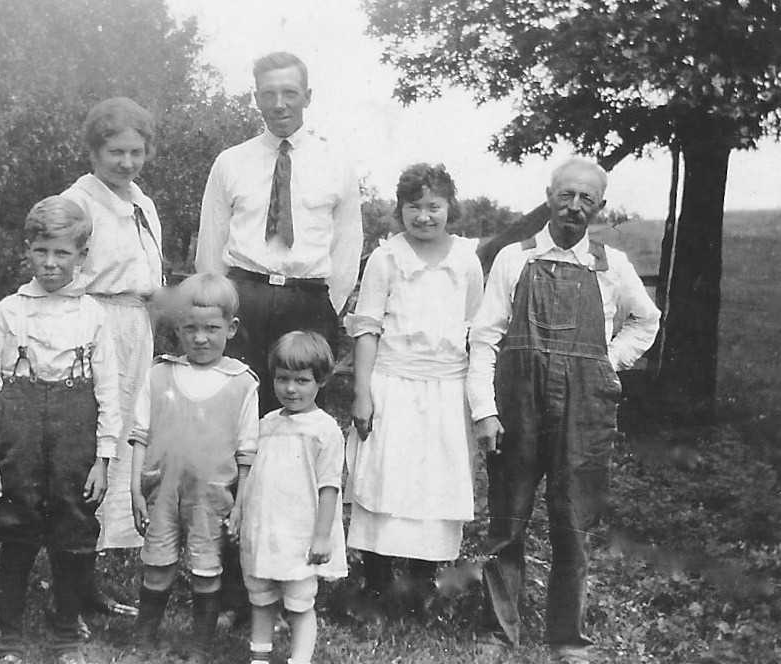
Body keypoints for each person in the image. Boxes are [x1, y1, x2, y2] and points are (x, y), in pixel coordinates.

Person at [467, 157, 661, 663]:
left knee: (572, 521)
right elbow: (485, 338)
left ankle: (567, 639)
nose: (575, 207)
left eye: (587, 199)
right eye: (566, 195)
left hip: (584, 409)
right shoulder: (515, 258)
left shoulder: (610, 265)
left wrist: (607, 362)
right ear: (550, 195)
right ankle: (497, 632)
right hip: (518, 405)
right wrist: (485, 410)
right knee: (507, 518)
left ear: (600, 206)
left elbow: (647, 320)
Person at [0, 196, 121, 664]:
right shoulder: (8, 312)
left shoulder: (93, 315)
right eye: (41, 251)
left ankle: (66, 633)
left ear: (82, 256)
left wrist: (104, 457)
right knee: (16, 528)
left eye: (62, 253)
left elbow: (110, 392)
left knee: (73, 530)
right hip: (20, 432)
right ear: (28, 250)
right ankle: (10, 636)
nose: (51, 263)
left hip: (76, 433)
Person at [345, 163, 485, 610]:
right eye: (414, 207)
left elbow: (475, 326)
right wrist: (363, 392)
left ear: (450, 208)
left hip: (446, 386)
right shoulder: (386, 259)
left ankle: (423, 583)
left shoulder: (465, 259)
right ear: (399, 210)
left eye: (433, 206)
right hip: (393, 381)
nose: (424, 216)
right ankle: (378, 580)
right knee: (385, 475)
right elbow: (366, 327)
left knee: (434, 481)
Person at [195, 51, 363, 415]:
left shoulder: (336, 163)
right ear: (256, 98)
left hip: (307, 300)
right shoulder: (230, 162)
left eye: (289, 92)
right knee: (234, 410)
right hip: (244, 300)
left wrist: (324, 307)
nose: (279, 104)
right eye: (268, 94)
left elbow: (348, 249)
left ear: (308, 96)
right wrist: (220, 306)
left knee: (296, 416)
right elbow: (210, 245)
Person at [60, 96, 163, 616]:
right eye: (115, 151)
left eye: (136, 152)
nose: (126, 162)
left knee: (123, 448)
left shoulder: (142, 203)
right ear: (94, 150)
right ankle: (70, 592)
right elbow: (59, 278)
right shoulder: (77, 203)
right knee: (88, 451)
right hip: (91, 328)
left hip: (135, 330)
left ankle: (89, 585)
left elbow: (150, 283)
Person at [129, 273, 259, 663]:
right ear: (178, 328)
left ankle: (199, 646)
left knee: (206, 569)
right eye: (190, 329)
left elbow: (246, 454)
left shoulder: (241, 383)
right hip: (161, 491)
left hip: (211, 497)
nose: (200, 338)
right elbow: (140, 435)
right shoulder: (159, 374)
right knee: (158, 566)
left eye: (211, 329)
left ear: (231, 328)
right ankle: (144, 638)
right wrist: (136, 488)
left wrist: (240, 504)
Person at [237, 331, 348, 664]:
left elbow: (329, 486)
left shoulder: (324, 429)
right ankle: (259, 657)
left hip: (300, 531)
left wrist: (321, 536)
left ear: (321, 381)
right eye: (283, 379)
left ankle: (299, 659)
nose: (290, 388)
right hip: (265, 527)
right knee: (261, 598)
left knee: (299, 602)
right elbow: (256, 476)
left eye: (301, 380)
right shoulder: (268, 423)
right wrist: (241, 513)